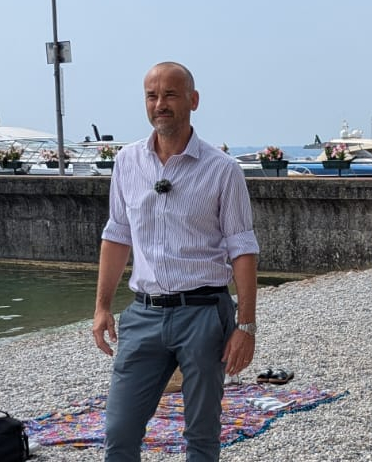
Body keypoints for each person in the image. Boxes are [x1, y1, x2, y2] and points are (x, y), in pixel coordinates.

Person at [92, 61, 259, 462]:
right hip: (143, 315)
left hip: (204, 314)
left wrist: (246, 326)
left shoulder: (222, 170)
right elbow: (117, 236)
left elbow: (242, 248)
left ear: (193, 100)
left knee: (201, 433)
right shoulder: (127, 162)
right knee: (119, 430)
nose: (160, 104)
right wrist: (101, 307)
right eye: (152, 96)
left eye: (170, 94)